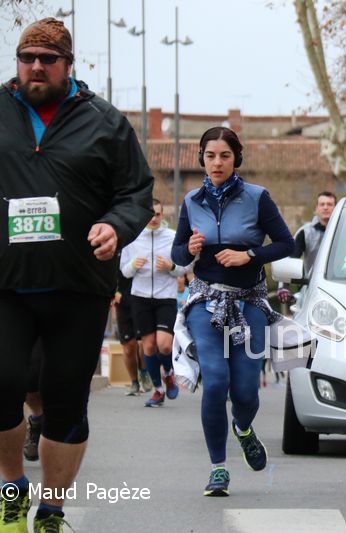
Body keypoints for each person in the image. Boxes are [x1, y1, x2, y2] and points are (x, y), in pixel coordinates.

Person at [0, 18, 153, 532]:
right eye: (27, 57)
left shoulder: (105, 122)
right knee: (2, 384)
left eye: (48, 59)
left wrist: (116, 225)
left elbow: (136, 193)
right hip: (6, 284)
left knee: (66, 402)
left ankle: (51, 510)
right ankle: (11, 490)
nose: (36, 67)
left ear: (68, 65)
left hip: (78, 286)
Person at [171, 127, 294, 497]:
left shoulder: (257, 197)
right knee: (215, 379)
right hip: (205, 301)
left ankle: (243, 428)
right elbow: (177, 254)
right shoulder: (192, 200)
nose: (217, 163)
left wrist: (249, 255)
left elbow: (286, 244)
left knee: (245, 391)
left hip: (249, 301)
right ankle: (218, 468)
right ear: (202, 158)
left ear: (236, 158)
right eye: (210, 156)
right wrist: (190, 249)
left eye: (224, 155)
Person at [120, 199, 189, 407]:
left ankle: (168, 373)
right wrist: (133, 265)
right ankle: (158, 390)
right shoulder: (133, 238)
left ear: (162, 215)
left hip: (165, 297)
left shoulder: (172, 237)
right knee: (149, 346)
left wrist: (171, 266)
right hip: (140, 297)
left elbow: (184, 268)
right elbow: (124, 271)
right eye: (150, 215)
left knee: (164, 345)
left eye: (157, 214)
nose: (153, 219)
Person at [276, 191, 336, 304]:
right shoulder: (305, 232)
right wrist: (283, 287)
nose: (325, 207)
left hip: (341, 287)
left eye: (329, 204)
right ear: (316, 208)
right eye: (322, 204)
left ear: (336, 208)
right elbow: (290, 259)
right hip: (312, 291)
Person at [112, 270, 153, 396]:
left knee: (143, 342)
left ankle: (144, 372)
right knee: (129, 347)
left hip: (143, 300)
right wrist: (113, 292)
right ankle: (134, 382)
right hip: (123, 302)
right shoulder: (118, 256)